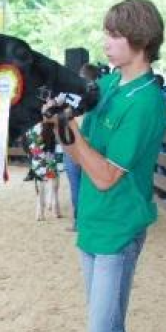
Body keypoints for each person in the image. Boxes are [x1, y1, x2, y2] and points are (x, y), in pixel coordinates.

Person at [51, 0, 166, 332]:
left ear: (139, 40)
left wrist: (70, 133)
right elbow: (80, 144)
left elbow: (101, 174)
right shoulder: (113, 86)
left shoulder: (147, 101)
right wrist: (61, 122)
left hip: (120, 227)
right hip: (94, 223)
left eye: (114, 35)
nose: (106, 43)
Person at [63, 63, 101, 230]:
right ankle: (92, 221)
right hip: (93, 146)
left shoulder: (72, 96)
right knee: (92, 186)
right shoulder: (101, 97)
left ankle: (79, 222)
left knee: (76, 185)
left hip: (74, 145)